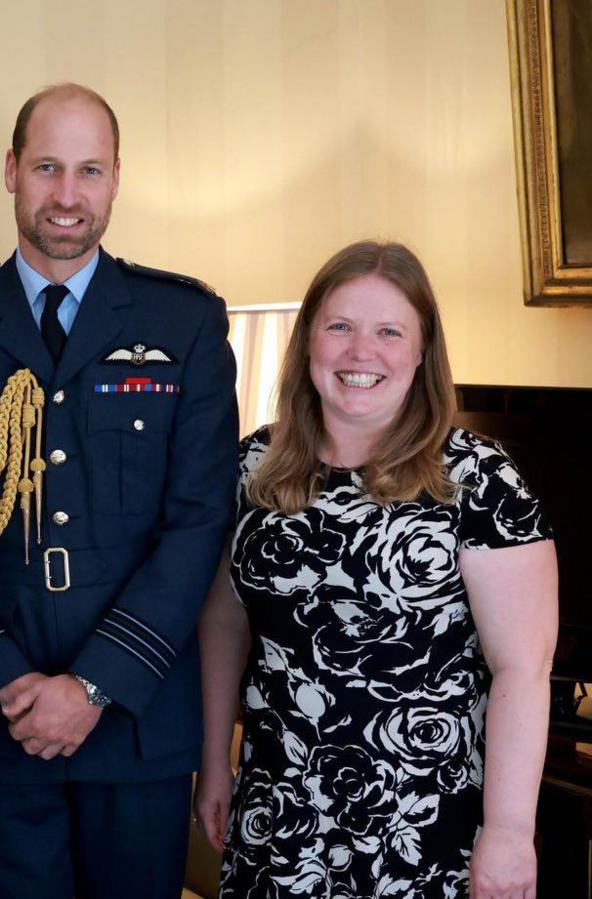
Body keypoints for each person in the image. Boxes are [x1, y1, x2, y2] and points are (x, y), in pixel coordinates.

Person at [0, 83, 239, 898]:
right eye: (47, 167)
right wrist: (5, 675)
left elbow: (197, 527)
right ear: (11, 171)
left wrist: (92, 685)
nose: (67, 195)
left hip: (137, 722)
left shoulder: (182, 323)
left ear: (117, 180)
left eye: (89, 170)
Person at [194, 241, 557, 899]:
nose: (362, 352)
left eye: (390, 331)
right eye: (340, 327)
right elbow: (223, 622)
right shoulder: (253, 466)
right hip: (279, 811)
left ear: (421, 352)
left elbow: (523, 668)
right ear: (309, 342)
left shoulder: (479, 478)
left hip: (424, 821)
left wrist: (509, 830)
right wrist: (213, 761)